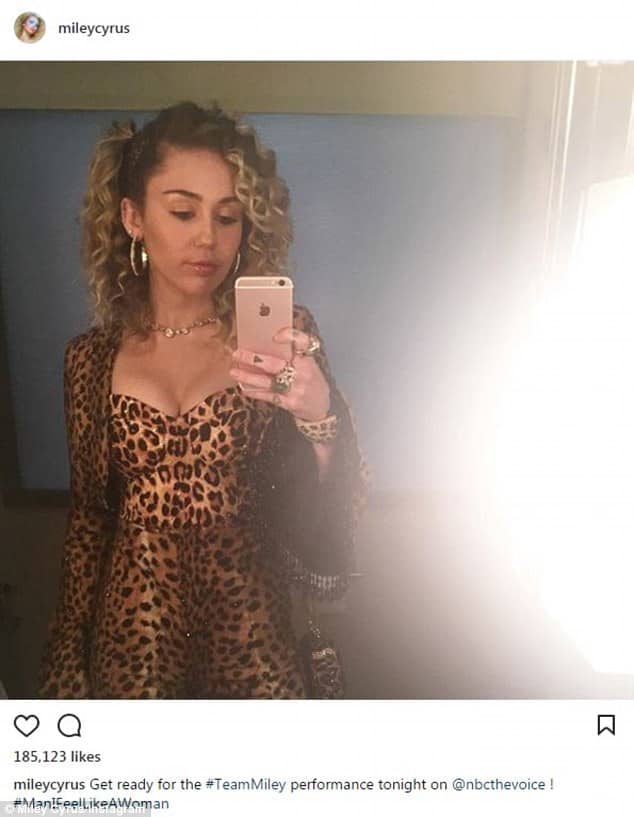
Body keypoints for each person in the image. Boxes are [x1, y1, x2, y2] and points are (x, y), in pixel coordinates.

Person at [38, 101, 367, 699]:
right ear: (133, 217)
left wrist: (319, 417)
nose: (207, 238)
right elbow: (88, 523)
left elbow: (326, 501)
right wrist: (66, 666)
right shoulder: (89, 359)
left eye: (228, 216)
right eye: (183, 211)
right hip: (133, 644)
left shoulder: (282, 336)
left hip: (254, 636)